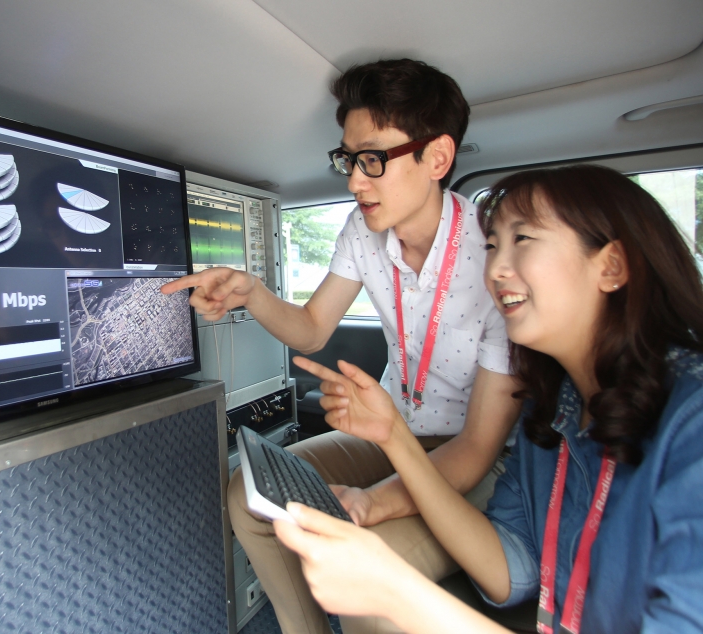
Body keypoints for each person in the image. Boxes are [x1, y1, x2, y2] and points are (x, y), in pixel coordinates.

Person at [162, 59, 522, 633]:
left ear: (437, 158)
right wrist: (252, 292)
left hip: (467, 459)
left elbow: (478, 447)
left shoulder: (498, 261)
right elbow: (312, 328)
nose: (355, 181)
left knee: (365, 574)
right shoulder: (363, 230)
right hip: (388, 431)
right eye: (349, 160)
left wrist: (373, 501)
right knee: (250, 496)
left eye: (373, 159)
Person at [280, 164, 703, 632]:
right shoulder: (553, 409)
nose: (496, 270)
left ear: (611, 267)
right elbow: (511, 571)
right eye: (492, 245)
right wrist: (395, 436)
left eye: (523, 239)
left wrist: (396, 594)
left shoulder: (692, 419)